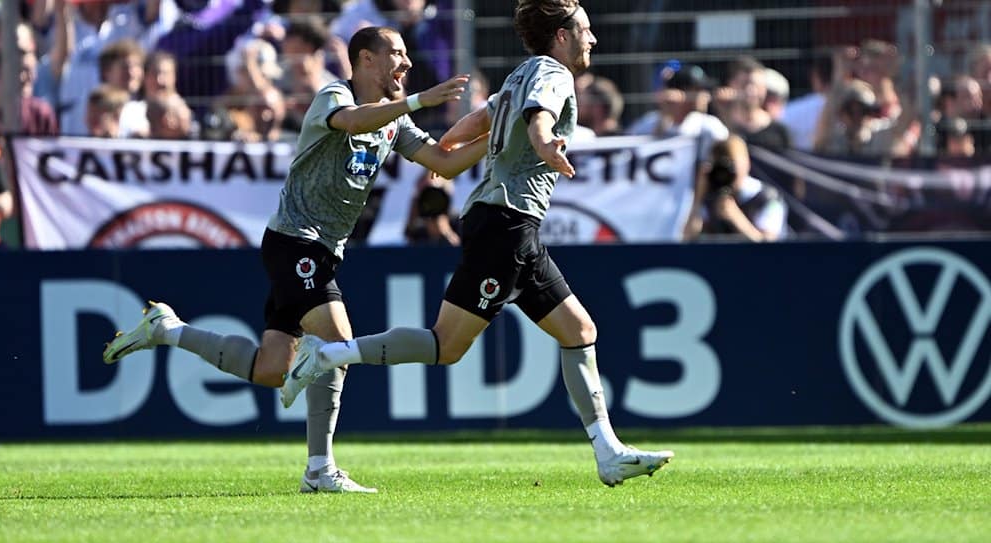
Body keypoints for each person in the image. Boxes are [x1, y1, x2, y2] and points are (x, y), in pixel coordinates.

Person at [280, 0, 674, 488]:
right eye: (585, 30)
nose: (592, 39)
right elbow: (539, 117)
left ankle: (609, 452)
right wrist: (545, 141)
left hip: (510, 224)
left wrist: (453, 147)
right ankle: (331, 355)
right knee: (446, 347)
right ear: (561, 37)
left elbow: (469, 130)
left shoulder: (518, 75)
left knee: (579, 330)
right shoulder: (554, 74)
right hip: (507, 224)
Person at [101, 26, 489, 493]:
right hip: (295, 242)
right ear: (366, 59)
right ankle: (319, 470)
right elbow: (352, 122)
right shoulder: (333, 95)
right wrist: (419, 100)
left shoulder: (394, 120)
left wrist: (501, 137)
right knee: (337, 342)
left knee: (271, 369)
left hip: (323, 249)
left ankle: (168, 330)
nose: (406, 63)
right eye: (397, 54)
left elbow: (443, 164)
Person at [687, 135, 788, 242]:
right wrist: (698, 197)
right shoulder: (710, 196)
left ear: (746, 164)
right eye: (720, 166)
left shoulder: (769, 198)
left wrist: (736, 217)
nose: (725, 173)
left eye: (731, 166)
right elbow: (687, 238)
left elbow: (771, 249)